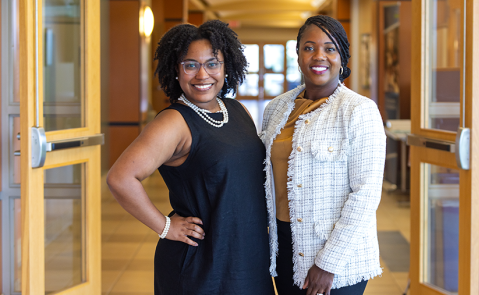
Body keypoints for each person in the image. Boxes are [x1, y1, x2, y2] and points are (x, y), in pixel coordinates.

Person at [106, 20, 274, 295]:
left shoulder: (237, 109)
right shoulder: (174, 121)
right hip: (202, 262)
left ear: (225, 66)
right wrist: (165, 226)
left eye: (212, 63)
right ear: (176, 69)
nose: (202, 74)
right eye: (190, 64)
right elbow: (120, 178)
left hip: (246, 255)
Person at [260, 15, 386, 295]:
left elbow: (366, 194)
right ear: (298, 54)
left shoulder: (359, 111)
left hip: (337, 256)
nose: (319, 56)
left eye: (330, 48)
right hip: (283, 247)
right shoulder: (276, 108)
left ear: (342, 57)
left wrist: (328, 263)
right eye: (309, 47)